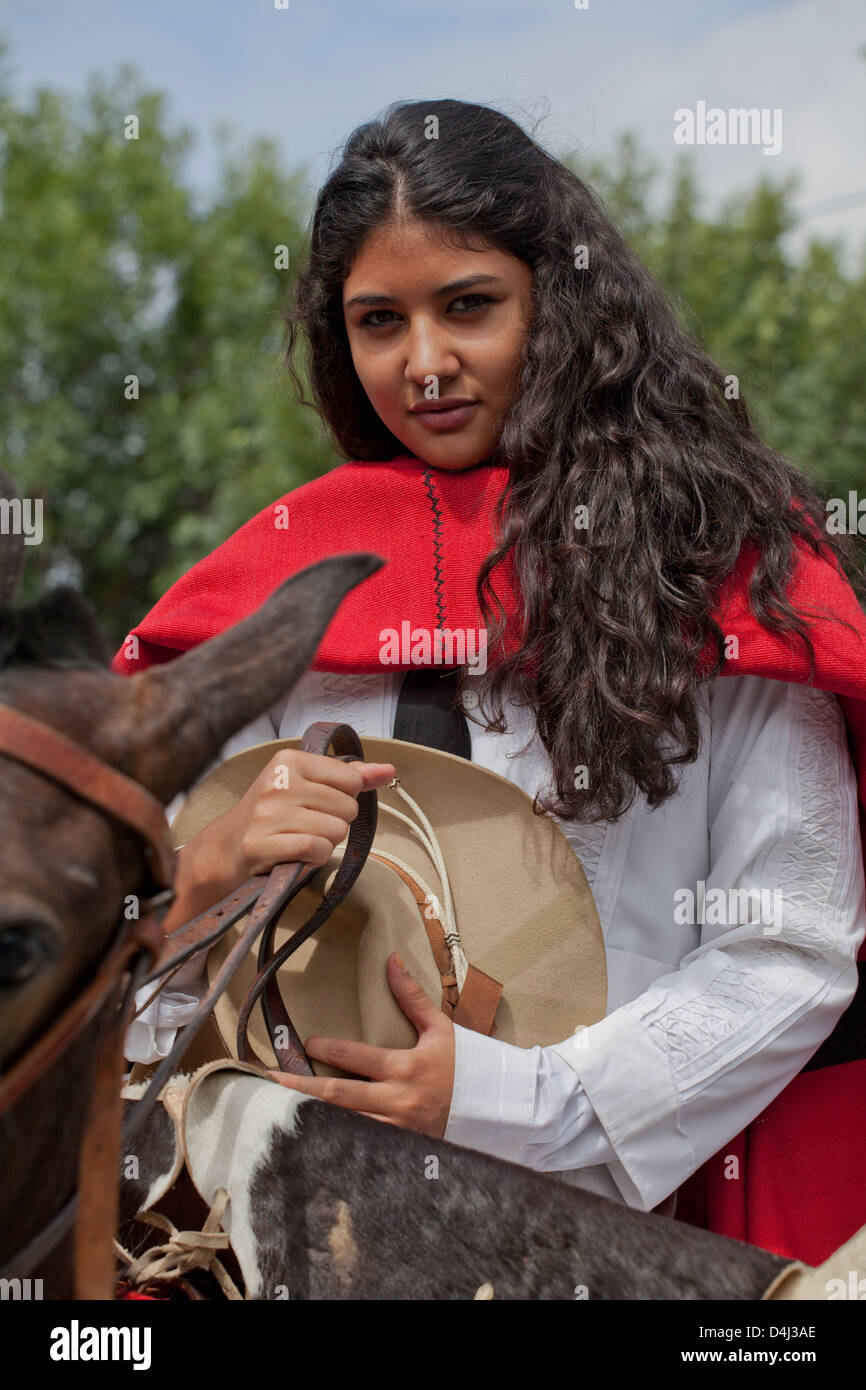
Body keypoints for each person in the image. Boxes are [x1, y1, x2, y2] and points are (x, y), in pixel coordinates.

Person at [115, 98, 866, 1265]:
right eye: (378, 322)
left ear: (556, 303)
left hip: (621, 1243)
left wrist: (508, 1098)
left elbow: (792, 940)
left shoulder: (717, 565)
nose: (423, 365)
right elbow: (121, 1019)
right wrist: (193, 882)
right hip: (299, 1244)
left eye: (467, 305)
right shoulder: (283, 585)